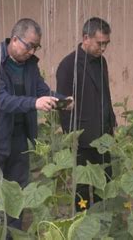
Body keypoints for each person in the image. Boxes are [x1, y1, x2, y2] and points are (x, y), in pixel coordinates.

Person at [0, 18, 73, 230]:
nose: (32, 51)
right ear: (15, 39)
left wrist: (62, 101)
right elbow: (0, 99)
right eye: (30, 46)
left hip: (18, 137)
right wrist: (34, 103)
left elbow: (41, 91)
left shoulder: (30, 67)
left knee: (16, 196)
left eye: (36, 47)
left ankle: (14, 234)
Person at [56, 17, 116, 211]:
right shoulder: (68, 65)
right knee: (83, 185)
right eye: (100, 43)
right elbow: (63, 106)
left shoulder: (101, 62)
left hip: (104, 135)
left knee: (105, 181)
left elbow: (105, 93)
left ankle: (103, 217)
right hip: (82, 137)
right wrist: (71, 135)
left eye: (106, 43)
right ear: (86, 38)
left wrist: (111, 119)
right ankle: (83, 221)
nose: (103, 48)